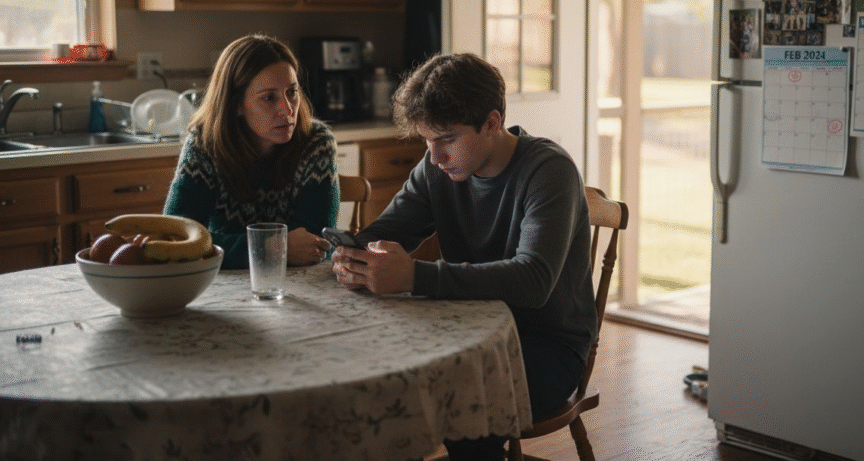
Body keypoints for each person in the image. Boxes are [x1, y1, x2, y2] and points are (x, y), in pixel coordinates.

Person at [331, 52, 596, 461]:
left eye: (446, 139)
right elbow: (386, 232)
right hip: (466, 330)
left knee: (454, 398)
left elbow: (533, 281)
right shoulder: (438, 167)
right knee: (381, 382)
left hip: (547, 347)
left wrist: (414, 277)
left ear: (492, 123)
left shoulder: (549, 171)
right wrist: (352, 253)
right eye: (426, 141)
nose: (434, 156)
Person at [165, 34, 338, 270]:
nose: (287, 109)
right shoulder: (204, 145)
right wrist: (276, 248)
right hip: (220, 287)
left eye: (292, 92)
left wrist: (224, 247)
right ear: (236, 105)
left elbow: (315, 245)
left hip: (298, 284)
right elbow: (176, 240)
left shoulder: (316, 142)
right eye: (269, 97)